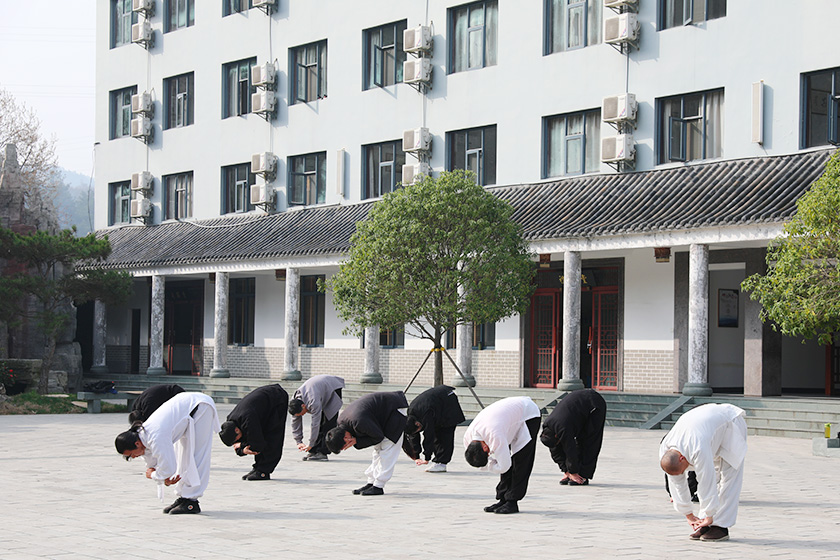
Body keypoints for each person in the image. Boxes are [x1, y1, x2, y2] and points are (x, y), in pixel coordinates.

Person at [115, 391, 220, 515]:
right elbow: (153, 463)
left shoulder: (155, 437)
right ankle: (183, 497)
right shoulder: (142, 437)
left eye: (132, 454)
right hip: (187, 409)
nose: (134, 457)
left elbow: (167, 468)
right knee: (182, 456)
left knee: (197, 455)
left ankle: (192, 501)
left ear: (136, 444)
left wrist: (157, 475)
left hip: (200, 406)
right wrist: (163, 477)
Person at [659, 403, 748, 542]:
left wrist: (709, 513)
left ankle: (720, 526)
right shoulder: (666, 448)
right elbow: (676, 483)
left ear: (682, 457)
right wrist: (688, 514)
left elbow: (707, 480)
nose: (685, 472)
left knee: (728, 477)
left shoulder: (697, 447)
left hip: (731, 423)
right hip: (711, 429)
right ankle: (705, 524)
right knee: (715, 477)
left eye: (684, 469)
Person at [463, 396, 541, 515]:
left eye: (488, 452)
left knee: (521, 460)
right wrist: (491, 464)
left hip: (528, 414)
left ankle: (512, 501)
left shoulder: (494, 435)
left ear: (484, 447)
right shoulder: (468, 439)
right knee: (503, 456)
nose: (490, 453)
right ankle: (503, 498)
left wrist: (491, 465)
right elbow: (485, 463)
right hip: (508, 417)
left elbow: (505, 466)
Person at [325, 391, 409, 496]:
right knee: (377, 450)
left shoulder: (359, 421)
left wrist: (357, 441)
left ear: (346, 438)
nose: (347, 447)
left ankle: (378, 486)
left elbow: (378, 437)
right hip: (382, 412)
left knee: (388, 449)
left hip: (395, 409)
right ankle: (371, 482)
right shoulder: (342, 422)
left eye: (344, 446)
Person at [218, 383, 288, 481]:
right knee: (257, 435)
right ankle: (257, 468)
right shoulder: (231, 422)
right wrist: (242, 449)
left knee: (272, 436)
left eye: (236, 439)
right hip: (263, 405)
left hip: (277, 399)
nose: (236, 442)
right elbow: (243, 443)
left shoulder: (247, 420)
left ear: (237, 430)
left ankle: (264, 472)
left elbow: (257, 444)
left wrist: (242, 446)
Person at [538, 388, 606, 486]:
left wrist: (573, 472)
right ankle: (573, 474)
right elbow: (555, 450)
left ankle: (582, 475)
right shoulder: (548, 428)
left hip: (594, 404)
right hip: (578, 412)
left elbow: (570, 450)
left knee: (589, 442)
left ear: (557, 435)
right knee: (572, 442)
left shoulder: (562, 428)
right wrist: (566, 471)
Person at [403, 385, 465, 473]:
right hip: (437, 403)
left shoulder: (425, 413)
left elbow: (429, 435)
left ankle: (442, 463)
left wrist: (427, 457)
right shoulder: (411, 417)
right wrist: (416, 456)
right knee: (437, 431)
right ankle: (438, 461)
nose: (420, 431)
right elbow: (413, 436)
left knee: (445, 433)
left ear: (417, 423)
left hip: (448, 400)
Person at [288, 375, 345, 461]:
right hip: (319, 388)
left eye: (301, 413)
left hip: (333, 387)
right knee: (322, 421)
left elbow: (315, 424)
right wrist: (298, 441)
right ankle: (314, 451)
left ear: (303, 406)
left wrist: (310, 443)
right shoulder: (295, 402)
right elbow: (295, 422)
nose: (302, 416)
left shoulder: (313, 401)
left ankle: (323, 452)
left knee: (327, 422)